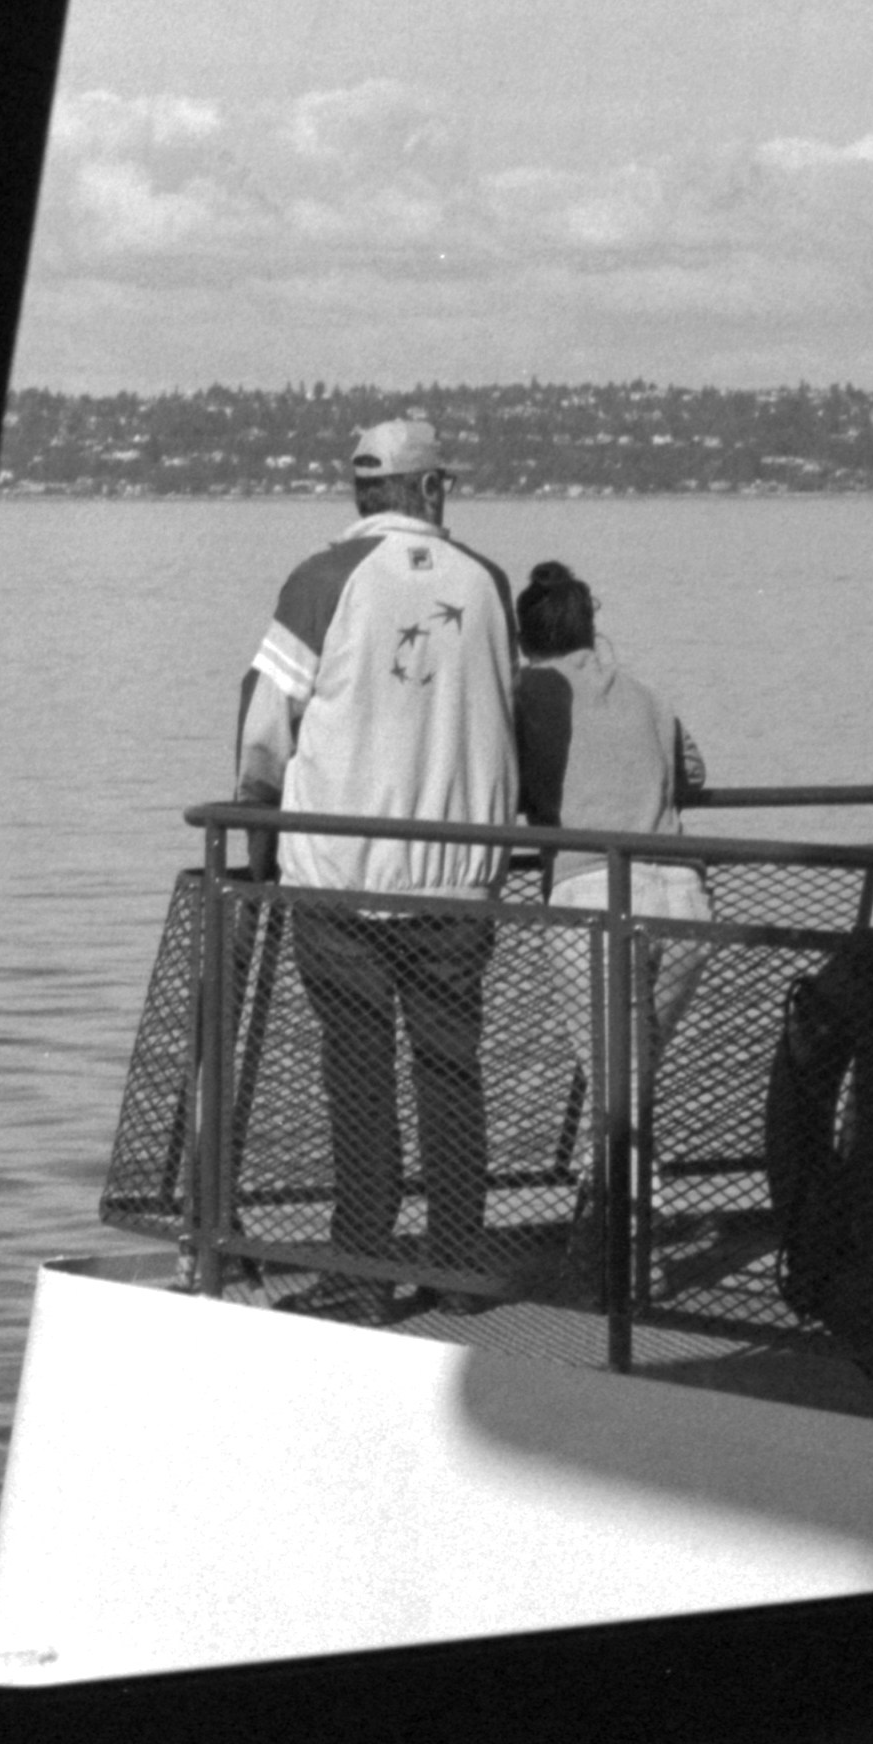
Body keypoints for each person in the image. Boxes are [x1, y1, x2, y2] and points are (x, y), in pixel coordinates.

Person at [232, 414, 521, 1315]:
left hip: (341, 880)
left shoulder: (321, 579)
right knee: (451, 1072)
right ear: (429, 489)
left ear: (363, 492)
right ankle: (458, 1268)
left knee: (359, 1078)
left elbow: (265, 726)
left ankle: (362, 1274)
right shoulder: (489, 584)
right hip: (458, 880)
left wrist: (258, 843)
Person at [510, 561, 714, 1169]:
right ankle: (603, 1212)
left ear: (523, 638)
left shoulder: (524, 695)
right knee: (628, 1087)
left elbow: (495, 776)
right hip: (682, 899)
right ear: (589, 628)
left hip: (595, 900)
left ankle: (628, 1225)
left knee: (617, 1095)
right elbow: (694, 772)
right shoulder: (645, 694)